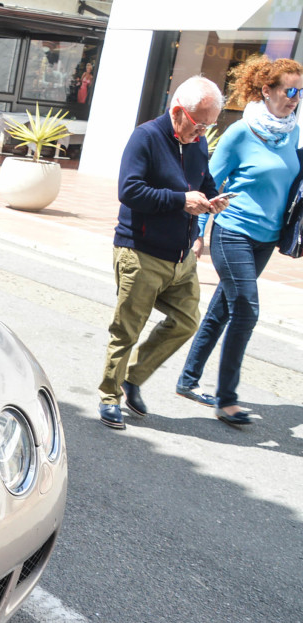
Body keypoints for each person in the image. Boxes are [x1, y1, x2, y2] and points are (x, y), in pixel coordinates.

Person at [98, 75, 232, 429]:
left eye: (209, 125)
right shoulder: (146, 137)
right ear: (178, 112)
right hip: (140, 251)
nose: (202, 133)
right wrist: (180, 201)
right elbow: (130, 190)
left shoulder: (198, 143)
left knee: (187, 322)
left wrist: (211, 199)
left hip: (181, 255)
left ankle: (133, 377)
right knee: (127, 329)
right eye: (199, 123)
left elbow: (201, 182)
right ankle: (109, 395)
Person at [175, 57, 302, 427]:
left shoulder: (293, 132)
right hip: (233, 231)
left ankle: (187, 380)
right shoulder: (241, 132)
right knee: (246, 309)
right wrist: (197, 234)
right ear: (267, 90)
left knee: (223, 309)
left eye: (300, 92)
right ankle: (227, 399)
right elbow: (206, 182)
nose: (295, 98)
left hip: (266, 238)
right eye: (289, 90)